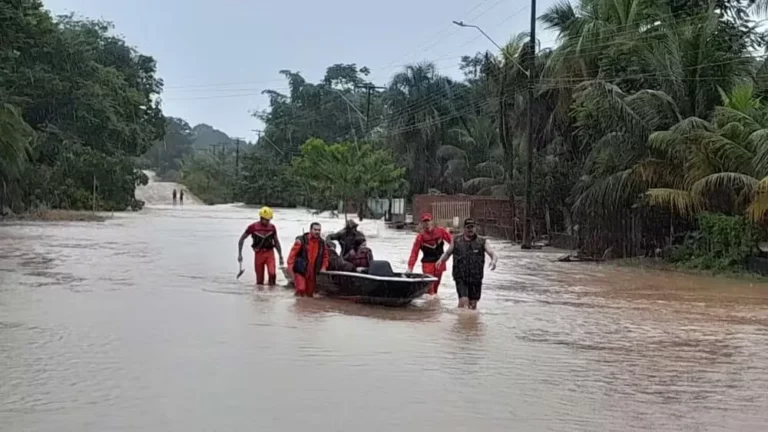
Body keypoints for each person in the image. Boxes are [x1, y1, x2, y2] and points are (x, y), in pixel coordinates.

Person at [436, 218, 498, 310]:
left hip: (476, 278)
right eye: (468, 227)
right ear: (464, 228)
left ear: (475, 228)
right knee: (463, 302)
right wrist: (441, 260)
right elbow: (448, 253)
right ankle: (460, 322)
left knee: (472, 306)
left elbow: (492, 253)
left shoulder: (482, 241)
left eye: (472, 227)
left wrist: (493, 261)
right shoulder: (456, 240)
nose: (470, 229)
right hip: (461, 277)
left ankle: (471, 323)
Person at [407, 213, 453, 295]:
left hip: (440, 262)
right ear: (422, 224)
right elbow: (414, 253)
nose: (427, 224)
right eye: (425, 222)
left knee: (436, 287)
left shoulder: (441, 231)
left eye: (428, 221)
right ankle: (429, 303)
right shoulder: (420, 237)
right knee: (430, 288)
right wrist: (410, 267)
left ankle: (433, 305)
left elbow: (453, 242)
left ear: (432, 222)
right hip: (427, 264)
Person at [237, 206, 284, 286]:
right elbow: (241, 239)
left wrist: (280, 256)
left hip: (270, 253)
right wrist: (240, 254)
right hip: (258, 254)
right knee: (259, 281)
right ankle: (260, 296)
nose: (268, 221)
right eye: (266, 220)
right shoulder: (253, 227)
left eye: (269, 220)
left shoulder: (272, 228)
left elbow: (276, 242)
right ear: (261, 218)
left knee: (272, 273)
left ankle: (272, 294)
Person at [287, 222, 329, 297]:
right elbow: (292, 256)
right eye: (315, 229)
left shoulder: (322, 243)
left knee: (310, 294)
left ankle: (306, 307)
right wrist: (290, 269)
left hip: (312, 272)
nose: (317, 232)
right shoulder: (301, 241)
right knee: (301, 289)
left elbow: (325, 256)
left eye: (319, 230)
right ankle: (297, 305)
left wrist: (323, 267)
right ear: (310, 230)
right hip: (301, 270)